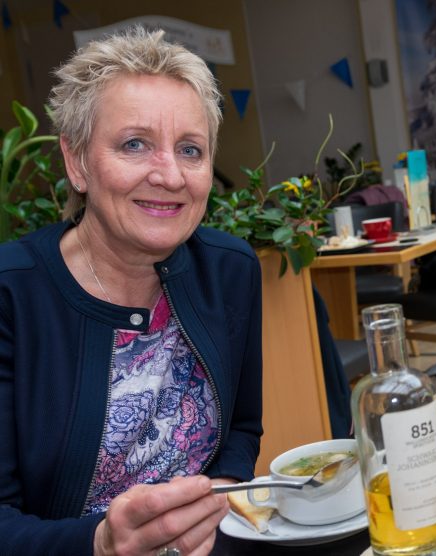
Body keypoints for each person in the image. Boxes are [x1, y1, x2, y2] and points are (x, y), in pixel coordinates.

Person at [0, 28, 262, 555]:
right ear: (77, 163)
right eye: (134, 144)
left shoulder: (231, 270)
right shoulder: (12, 295)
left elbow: (243, 427)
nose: (168, 175)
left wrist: (219, 497)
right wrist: (100, 544)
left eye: (190, 149)